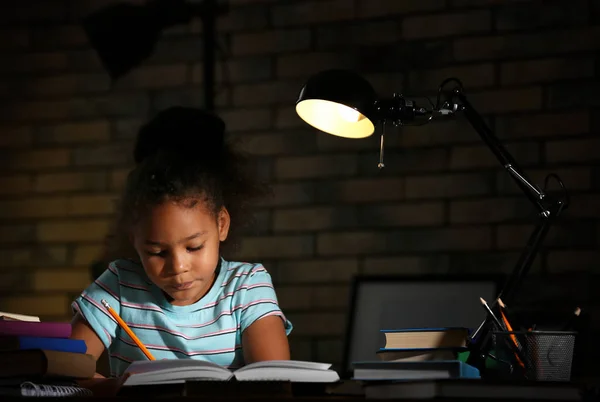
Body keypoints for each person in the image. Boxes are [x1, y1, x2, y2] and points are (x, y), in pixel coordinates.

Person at [69, 107, 293, 388]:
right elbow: (65, 370)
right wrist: (115, 389)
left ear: (222, 224)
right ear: (133, 238)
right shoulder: (118, 285)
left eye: (195, 247)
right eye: (157, 252)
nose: (178, 267)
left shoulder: (247, 287)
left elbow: (274, 384)